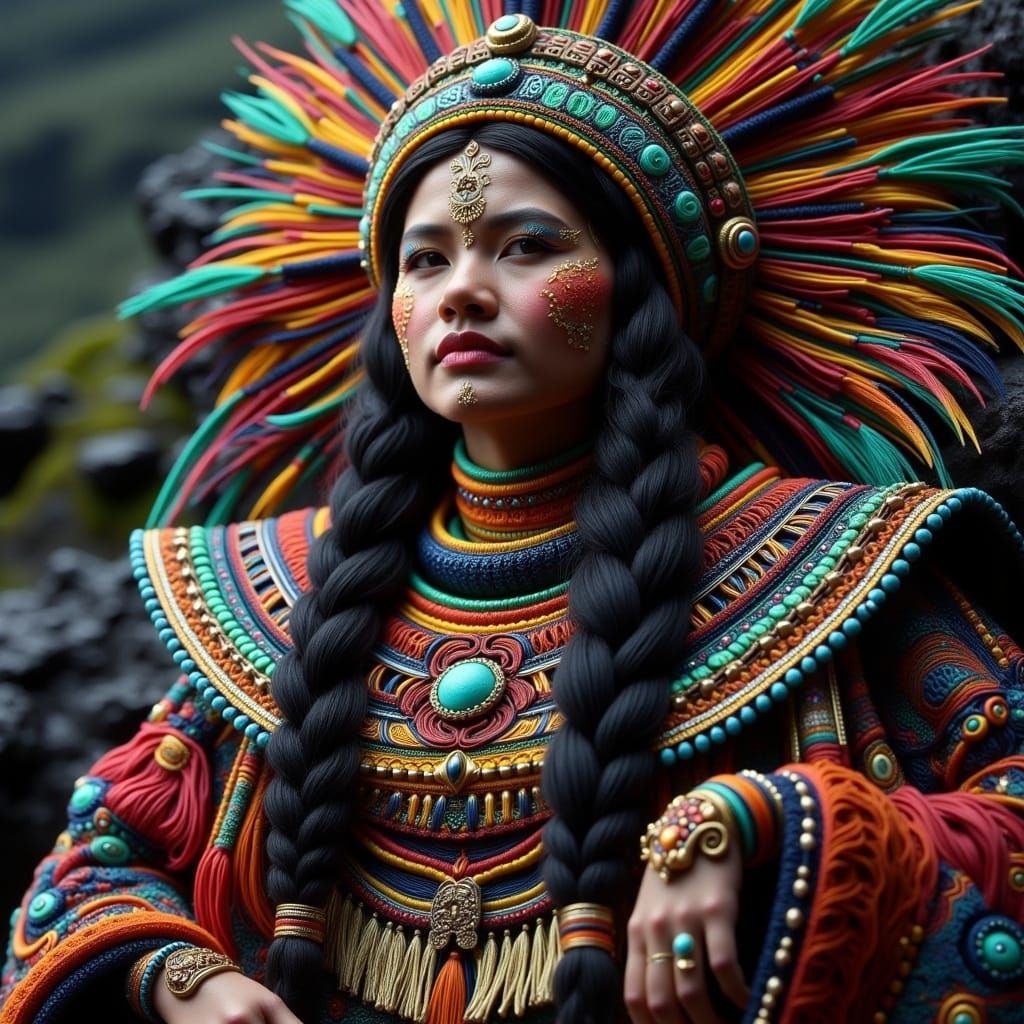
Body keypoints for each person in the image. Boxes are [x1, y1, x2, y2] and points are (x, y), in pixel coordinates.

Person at [3, 1, 1024, 1023]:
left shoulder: (825, 566)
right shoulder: (283, 601)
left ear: (644, 288)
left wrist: (770, 814)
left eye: (526, 246)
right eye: (425, 259)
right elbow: (88, 871)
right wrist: (178, 978)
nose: (462, 292)